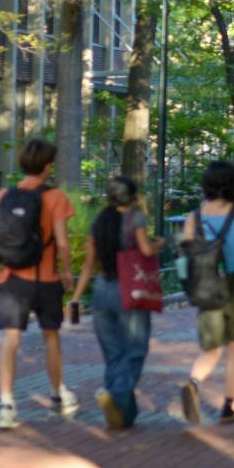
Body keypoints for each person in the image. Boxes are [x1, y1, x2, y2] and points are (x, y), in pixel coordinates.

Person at [0, 139, 79, 430]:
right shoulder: (55, 197)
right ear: (47, 166)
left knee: (10, 339)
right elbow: (62, 243)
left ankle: (6, 404)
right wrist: (67, 272)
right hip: (46, 278)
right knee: (51, 338)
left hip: (12, 278)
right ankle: (57, 393)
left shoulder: (5, 195)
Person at [71, 174, 161, 430]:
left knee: (113, 353)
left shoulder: (99, 221)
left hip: (102, 289)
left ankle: (122, 415)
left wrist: (76, 297)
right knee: (135, 350)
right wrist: (159, 244)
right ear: (133, 197)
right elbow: (145, 249)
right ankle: (114, 393)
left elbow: (89, 263)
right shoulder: (136, 218)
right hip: (129, 289)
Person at [179, 160, 234, 425]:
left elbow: (185, 259)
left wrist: (192, 288)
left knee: (211, 347)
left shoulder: (194, 217)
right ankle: (227, 407)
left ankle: (193, 383)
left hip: (207, 284)